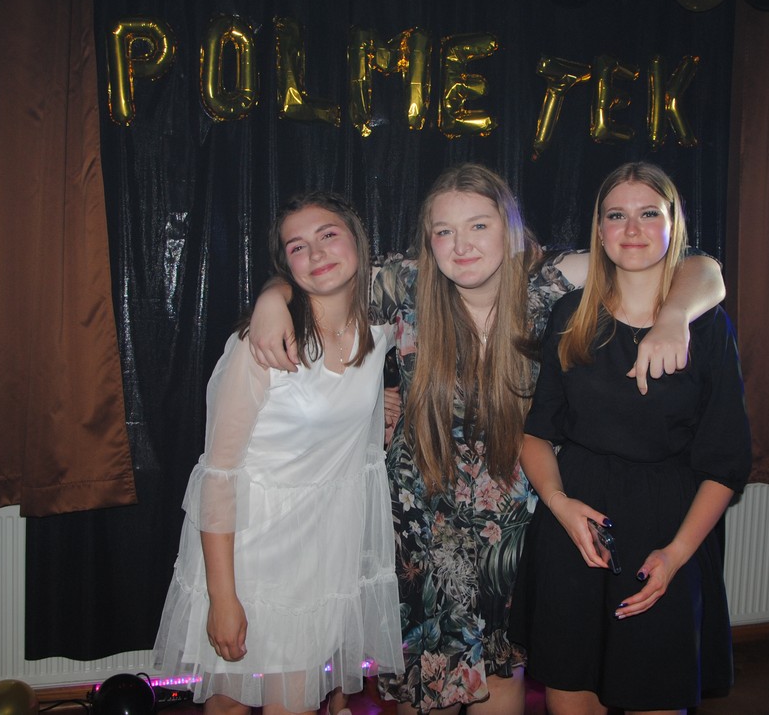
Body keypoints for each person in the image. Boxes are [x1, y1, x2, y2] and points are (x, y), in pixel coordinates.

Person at [248, 164, 725, 714]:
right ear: (429, 241)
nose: (462, 245)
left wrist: (675, 316)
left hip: (518, 522)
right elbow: (319, 272)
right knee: (427, 687)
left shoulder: (550, 281)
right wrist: (271, 297)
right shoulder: (404, 283)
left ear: (510, 229)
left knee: (502, 676)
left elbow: (698, 265)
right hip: (421, 526)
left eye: (478, 225)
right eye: (444, 231)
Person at [510, 162, 751, 715]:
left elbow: (726, 464)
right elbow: (536, 434)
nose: (633, 229)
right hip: (576, 532)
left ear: (673, 226)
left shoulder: (707, 327)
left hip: (666, 534)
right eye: (617, 215)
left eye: (649, 214)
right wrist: (560, 505)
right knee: (571, 694)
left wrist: (677, 554)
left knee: (655, 693)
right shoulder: (571, 315)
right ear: (599, 231)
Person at [153, 191, 403, 715]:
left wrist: (378, 411)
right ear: (285, 265)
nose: (316, 253)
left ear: (358, 241)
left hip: (319, 557)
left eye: (328, 235)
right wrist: (223, 598)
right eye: (297, 246)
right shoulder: (261, 345)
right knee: (229, 704)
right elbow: (218, 476)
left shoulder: (378, 333)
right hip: (247, 553)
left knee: (295, 704)